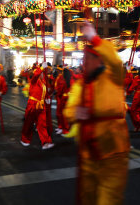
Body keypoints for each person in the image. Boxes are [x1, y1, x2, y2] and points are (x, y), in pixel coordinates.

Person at [64, 22, 129, 205]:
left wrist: (94, 38)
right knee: (87, 197)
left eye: (90, 59)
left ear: (99, 60)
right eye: (84, 60)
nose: (85, 63)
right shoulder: (80, 86)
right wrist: (76, 112)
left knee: (109, 199)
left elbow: (115, 61)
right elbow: (68, 111)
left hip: (112, 149)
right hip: (88, 152)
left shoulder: (113, 78)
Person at [20, 64, 54, 150]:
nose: (43, 74)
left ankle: (46, 142)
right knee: (28, 123)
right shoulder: (34, 80)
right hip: (32, 105)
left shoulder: (43, 82)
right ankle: (24, 139)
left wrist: (47, 98)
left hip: (41, 106)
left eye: (43, 73)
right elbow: (35, 75)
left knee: (42, 124)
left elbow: (44, 93)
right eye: (42, 72)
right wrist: (41, 67)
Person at [54, 65, 70, 135]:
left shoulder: (63, 79)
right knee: (60, 114)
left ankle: (65, 129)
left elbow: (60, 88)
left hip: (63, 98)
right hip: (62, 98)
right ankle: (61, 127)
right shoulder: (63, 78)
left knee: (62, 115)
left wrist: (57, 92)